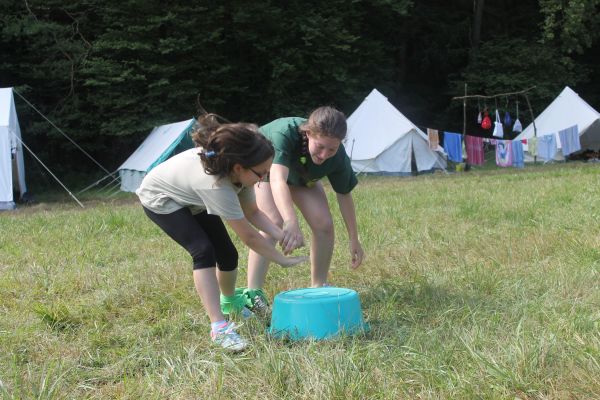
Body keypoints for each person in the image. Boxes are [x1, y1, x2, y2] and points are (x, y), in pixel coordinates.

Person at [136, 114, 307, 351]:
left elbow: (254, 214)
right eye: (261, 173)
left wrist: (282, 235)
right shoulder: (217, 185)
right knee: (203, 251)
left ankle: (230, 301)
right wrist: (281, 259)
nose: (265, 177)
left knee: (227, 253)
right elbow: (249, 236)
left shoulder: (241, 176)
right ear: (239, 167)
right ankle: (219, 327)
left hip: (193, 196)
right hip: (161, 199)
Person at [244, 106, 364, 314]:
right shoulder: (285, 134)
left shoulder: (337, 157)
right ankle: (253, 295)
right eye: (320, 147)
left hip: (301, 176)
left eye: (331, 149)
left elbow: (344, 195)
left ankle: (318, 286)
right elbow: (278, 179)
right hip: (266, 171)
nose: (324, 154)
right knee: (272, 221)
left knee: (324, 224)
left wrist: (354, 239)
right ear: (308, 133)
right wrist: (291, 221)